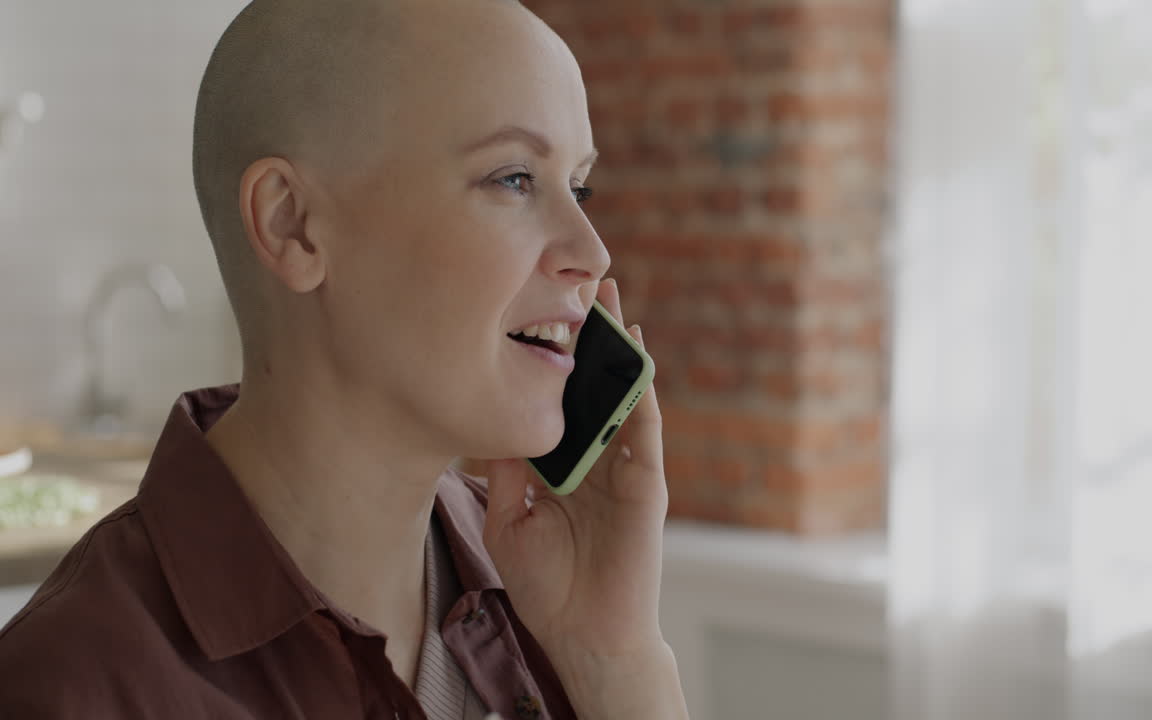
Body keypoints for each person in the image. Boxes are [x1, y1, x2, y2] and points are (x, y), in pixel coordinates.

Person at [0, 0, 689, 718]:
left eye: (578, 187)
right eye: (513, 179)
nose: (592, 251)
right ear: (292, 224)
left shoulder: (550, 599)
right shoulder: (72, 688)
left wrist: (615, 661)